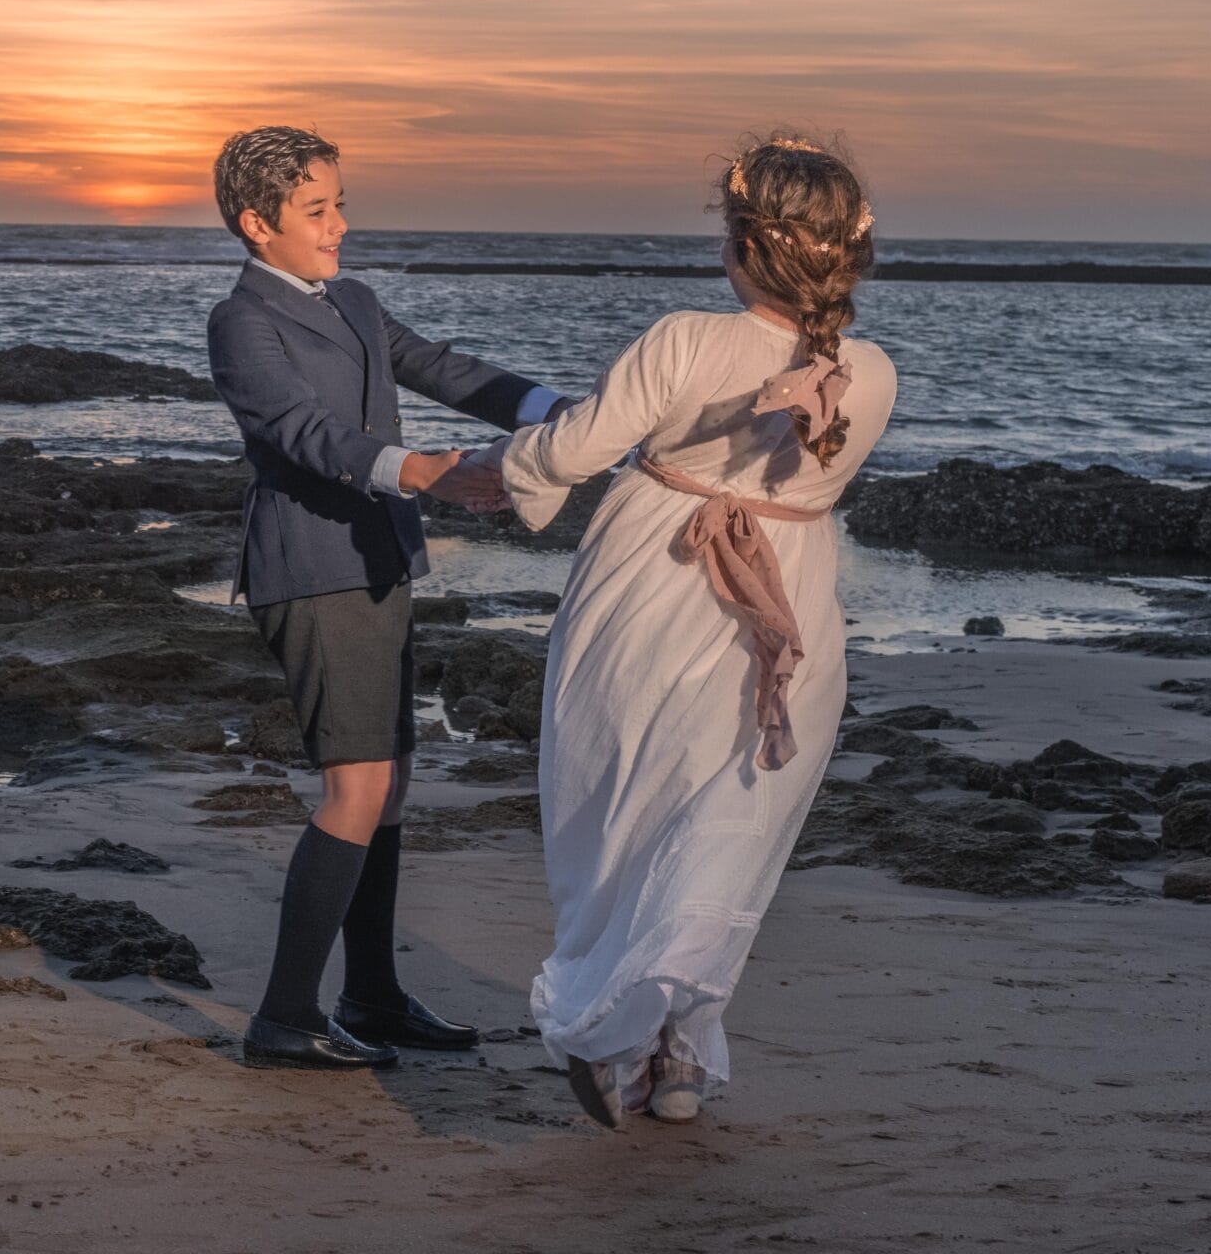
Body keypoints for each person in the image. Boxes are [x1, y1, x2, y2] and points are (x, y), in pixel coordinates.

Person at [482, 133, 897, 1126]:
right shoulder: (873, 372)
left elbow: (573, 450)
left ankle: (608, 1025)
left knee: (616, 800)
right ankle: (673, 1047)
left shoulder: (681, 339)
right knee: (727, 819)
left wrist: (504, 467)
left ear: (746, 245)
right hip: (787, 606)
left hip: (654, 583)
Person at [206, 124, 567, 1071]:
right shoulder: (241, 322)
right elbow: (303, 432)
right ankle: (285, 1016)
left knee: (391, 783)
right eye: (316, 210)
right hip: (313, 569)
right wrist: (424, 471)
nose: (339, 225)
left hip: (379, 559)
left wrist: (574, 414)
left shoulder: (356, 300)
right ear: (257, 223)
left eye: (339, 205)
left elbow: (444, 369)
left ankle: (371, 993)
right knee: (357, 784)